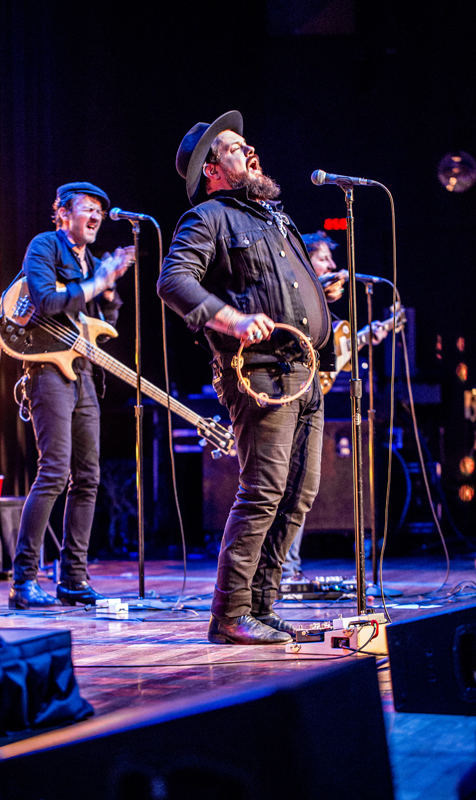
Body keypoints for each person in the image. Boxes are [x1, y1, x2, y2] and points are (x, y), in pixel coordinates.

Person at [157, 111, 340, 644]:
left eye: (245, 145)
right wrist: (230, 318)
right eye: (235, 149)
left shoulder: (272, 218)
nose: (249, 151)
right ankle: (230, 612)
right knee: (262, 491)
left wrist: (317, 294)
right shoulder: (208, 217)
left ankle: (261, 605)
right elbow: (174, 282)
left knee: (298, 495)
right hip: (260, 375)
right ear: (212, 169)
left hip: (305, 372)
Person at [9, 182, 134, 609]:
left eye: (101, 209)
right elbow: (44, 301)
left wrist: (111, 288)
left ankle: (73, 580)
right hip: (47, 371)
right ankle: (23, 581)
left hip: (83, 375)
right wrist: (97, 281)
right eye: (88, 208)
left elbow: (105, 322)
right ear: (63, 214)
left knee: (89, 478)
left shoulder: (95, 261)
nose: (97, 216)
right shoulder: (45, 246)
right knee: (54, 472)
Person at [281, 230, 388, 579]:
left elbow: (327, 359)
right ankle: (278, 570)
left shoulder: (326, 313)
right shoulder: (290, 292)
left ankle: (287, 569)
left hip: (309, 397)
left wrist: (367, 337)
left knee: (301, 488)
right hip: (284, 396)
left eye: (331, 259)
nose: (333, 265)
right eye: (324, 258)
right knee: (279, 486)